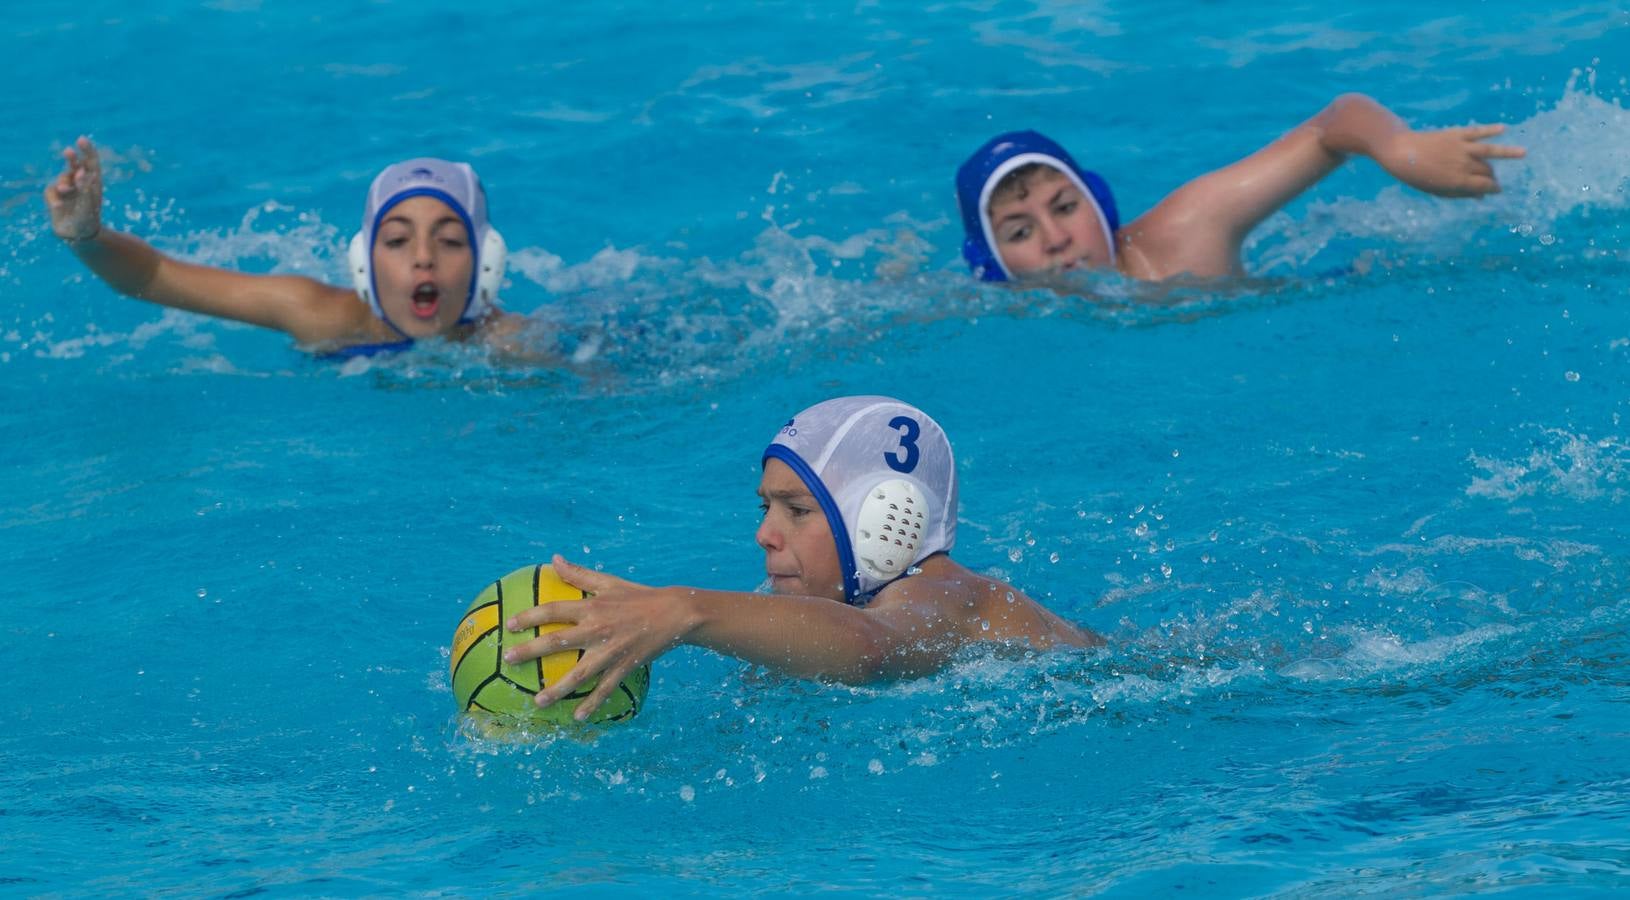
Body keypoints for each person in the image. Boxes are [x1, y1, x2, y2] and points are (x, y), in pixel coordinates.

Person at [502, 395, 1103, 719]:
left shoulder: (951, 593)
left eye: (797, 510)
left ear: (886, 520)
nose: (765, 534)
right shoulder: (849, 601)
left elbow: (876, 649)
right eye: (764, 508)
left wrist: (685, 613)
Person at [955, 93, 1527, 283]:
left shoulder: (1184, 234)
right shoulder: (989, 311)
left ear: (1100, 204)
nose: (1056, 238)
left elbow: (1335, 125)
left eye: (1065, 206)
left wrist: (1404, 151)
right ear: (993, 264)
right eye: (1021, 230)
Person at [43, 136, 527, 357]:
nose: (424, 256)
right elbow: (155, 277)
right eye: (398, 239)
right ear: (364, 262)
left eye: (448, 240)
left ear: (486, 262)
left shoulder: (512, 344)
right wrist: (86, 236)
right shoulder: (320, 314)